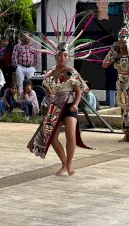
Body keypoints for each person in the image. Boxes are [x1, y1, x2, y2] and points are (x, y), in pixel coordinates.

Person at [27, 42, 92, 176]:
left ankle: (69, 164)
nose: (62, 57)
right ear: (56, 57)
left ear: (68, 58)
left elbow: (79, 92)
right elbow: (49, 91)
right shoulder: (50, 73)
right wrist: (48, 97)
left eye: (65, 55)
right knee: (51, 137)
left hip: (69, 106)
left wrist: (75, 105)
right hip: (55, 107)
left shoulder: (71, 72)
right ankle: (64, 162)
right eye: (60, 55)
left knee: (70, 134)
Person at [102, 28, 129, 141]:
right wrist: (113, 54)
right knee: (123, 107)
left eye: (124, 37)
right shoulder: (115, 50)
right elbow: (104, 65)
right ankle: (127, 133)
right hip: (121, 81)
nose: (122, 40)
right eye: (120, 37)